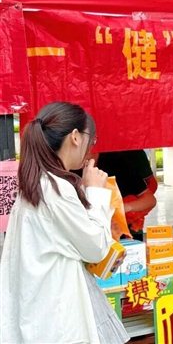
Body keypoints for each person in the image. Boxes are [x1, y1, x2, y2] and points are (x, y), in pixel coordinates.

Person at [0, 102, 129, 343]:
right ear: (76, 137)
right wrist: (95, 191)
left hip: (40, 317)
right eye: (91, 141)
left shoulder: (38, 183)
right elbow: (95, 247)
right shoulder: (56, 189)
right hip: (57, 322)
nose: (90, 149)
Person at [97, 150, 158, 240]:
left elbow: (152, 185)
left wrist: (134, 212)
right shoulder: (76, 168)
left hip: (128, 225)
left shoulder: (132, 154)